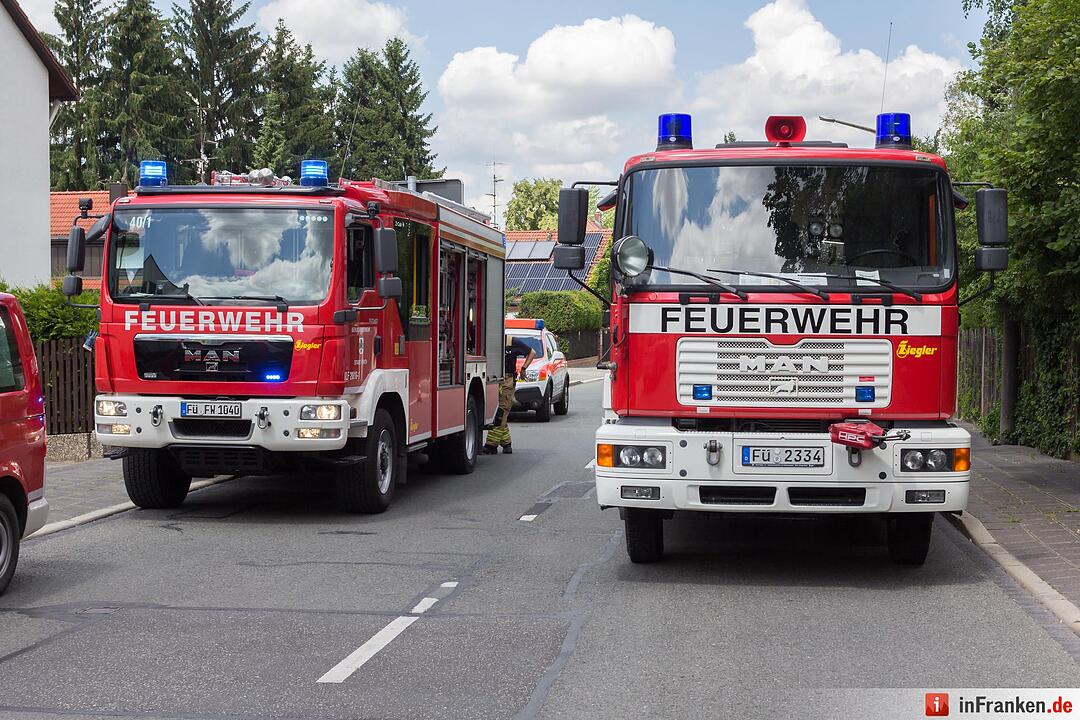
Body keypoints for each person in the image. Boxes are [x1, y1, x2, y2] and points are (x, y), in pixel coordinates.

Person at [483, 335, 535, 454]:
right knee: (499, 412)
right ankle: (507, 443)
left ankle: (491, 445)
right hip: (494, 379)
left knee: (501, 412)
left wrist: (523, 369)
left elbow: (532, 352)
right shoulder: (490, 339)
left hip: (507, 380)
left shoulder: (512, 341)